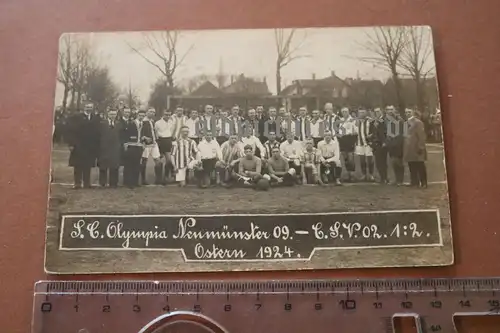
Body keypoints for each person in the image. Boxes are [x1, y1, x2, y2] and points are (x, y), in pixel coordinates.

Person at [66, 102, 100, 189]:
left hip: (90, 146)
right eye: (87, 107)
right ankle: (77, 183)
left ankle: (87, 183)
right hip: (78, 145)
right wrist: (71, 144)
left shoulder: (95, 118)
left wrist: (96, 145)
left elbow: (97, 133)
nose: (89, 109)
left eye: (91, 107)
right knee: (78, 165)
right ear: (84, 107)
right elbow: (70, 131)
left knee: (87, 165)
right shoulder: (76, 117)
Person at [97, 107, 122, 188]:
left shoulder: (118, 124)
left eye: (114, 114)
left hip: (115, 147)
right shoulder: (102, 123)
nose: (113, 116)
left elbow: (120, 136)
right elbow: (98, 135)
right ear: (108, 114)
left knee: (114, 166)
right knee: (103, 166)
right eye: (111, 114)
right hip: (104, 147)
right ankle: (102, 182)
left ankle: (113, 183)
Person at [404, 108, 428, 188]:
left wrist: (421, 147)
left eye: (409, 112)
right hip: (409, 148)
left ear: (413, 112)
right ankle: (414, 182)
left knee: (420, 165)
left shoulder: (418, 122)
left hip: (416, 147)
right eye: (406, 112)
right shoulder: (406, 122)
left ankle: (423, 182)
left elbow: (421, 135)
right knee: (412, 165)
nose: (407, 113)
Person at [121, 109, 144, 189]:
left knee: (137, 165)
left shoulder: (143, 124)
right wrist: (126, 143)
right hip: (131, 145)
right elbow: (126, 134)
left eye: (143, 116)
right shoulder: (131, 123)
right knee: (129, 165)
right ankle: (128, 182)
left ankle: (135, 181)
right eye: (140, 115)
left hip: (139, 146)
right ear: (137, 115)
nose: (141, 117)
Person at [141, 108, 162, 185]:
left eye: (153, 112)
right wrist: (144, 139)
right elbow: (140, 133)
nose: (152, 113)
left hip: (154, 143)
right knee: (144, 161)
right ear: (147, 112)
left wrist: (156, 139)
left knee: (158, 161)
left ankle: (158, 180)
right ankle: (143, 180)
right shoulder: (143, 121)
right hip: (146, 144)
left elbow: (154, 132)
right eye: (150, 112)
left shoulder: (152, 121)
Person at [385, 106, 405, 185]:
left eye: (391, 109)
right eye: (388, 110)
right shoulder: (389, 121)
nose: (390, 111)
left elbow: (405, 133)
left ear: (395, 110)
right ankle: (397, 179)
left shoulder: (401, 120)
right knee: (393, 162)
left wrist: (400, 143)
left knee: (399, 163)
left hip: (399, 145)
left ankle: (400, 180)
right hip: (392, 145)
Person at [337, 107, 358, 182]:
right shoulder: (341, 120)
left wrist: (353, 141)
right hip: (343, 140)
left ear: (348, 112)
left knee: (350, 158)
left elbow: (356, 132)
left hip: (350, 139)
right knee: (345, 158)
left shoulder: (353, 120)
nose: (344, 113)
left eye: (346, 111)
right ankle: (348, 175)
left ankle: (352, 175)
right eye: (343, 112)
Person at [355, 109, 375, 182]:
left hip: (368, 143)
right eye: (360, 112)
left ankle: (371, 174)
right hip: (360, 143)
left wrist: (371, 137)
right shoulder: (356, 121)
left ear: (366, 113)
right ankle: (364, 175)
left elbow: (374, 131)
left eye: (363, 112)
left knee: (370, 160)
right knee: (362, 160)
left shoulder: (370, 121)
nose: (361, 114)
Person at [155, 109, 174, 184]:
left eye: (169, 115)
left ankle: (166, 176)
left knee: (169, 160)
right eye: (166, 114)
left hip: (168, 141)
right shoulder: (157, 123)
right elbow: (156, 133)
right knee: (159, 161)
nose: (168, 116)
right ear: (163, 114)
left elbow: (171, 132)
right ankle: (158, 178)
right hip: (160, 141)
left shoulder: (171, 122)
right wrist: (158, 143)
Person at [372, 107, 389, 184]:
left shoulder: (384, 121)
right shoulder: (374, 121)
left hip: (382, 143)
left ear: (381, 112)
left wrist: (385, 142)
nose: (377, 113)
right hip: (375, 144)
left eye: (378, 111)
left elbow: (386, 132)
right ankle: (382, 177)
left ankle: (384, 177)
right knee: (378, 162)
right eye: (375, 112)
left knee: (383, 162)